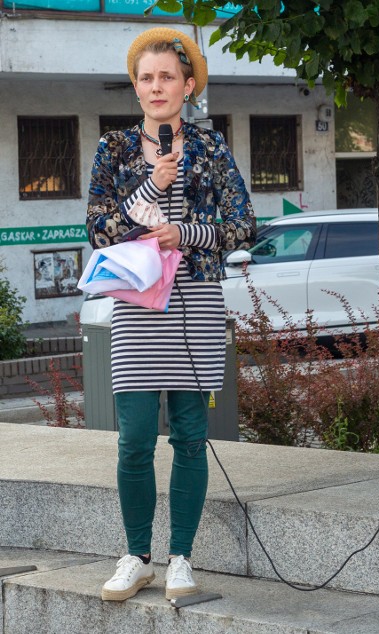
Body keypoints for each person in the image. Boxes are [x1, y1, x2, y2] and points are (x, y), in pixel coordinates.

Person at [86, 27, 256, 602]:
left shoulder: (211, 149)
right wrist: (149, 183)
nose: (156, 86)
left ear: (187, 86)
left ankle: (181, 559)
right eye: (146, 77)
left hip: (196, 306)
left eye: (167, 77)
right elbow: (99, 230)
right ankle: (136, 556)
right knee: (133, 439)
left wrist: (185, 231)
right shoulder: (113, 150)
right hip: (137, 307)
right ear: (136, 88)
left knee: (189, 435)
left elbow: (243, 225)